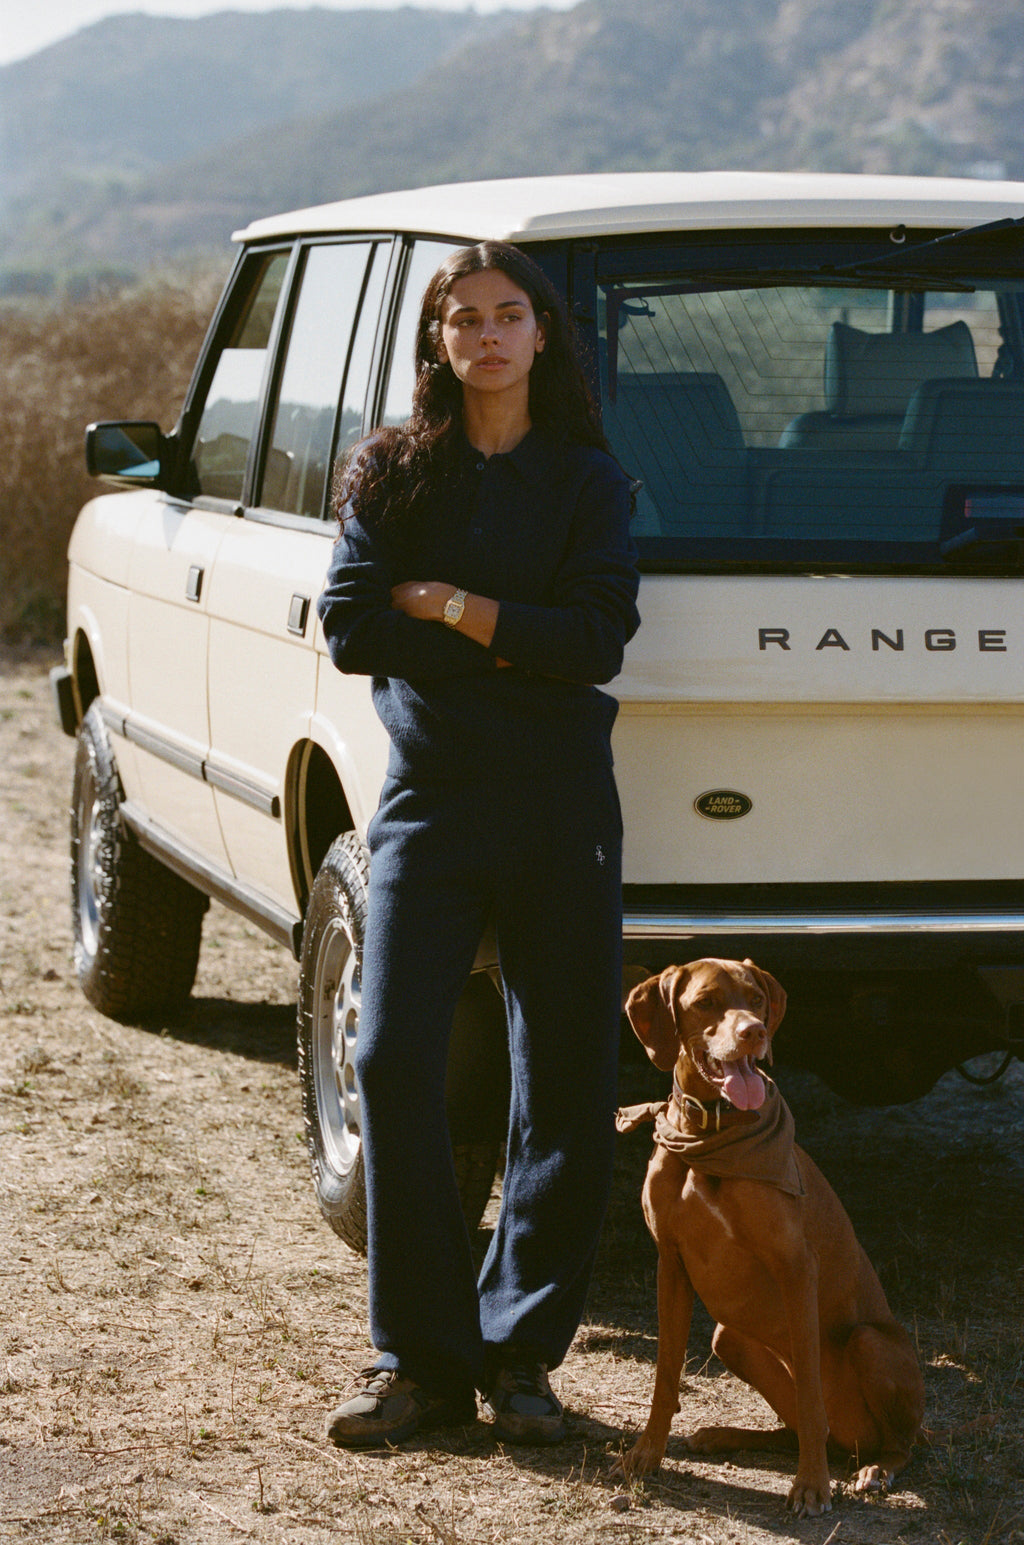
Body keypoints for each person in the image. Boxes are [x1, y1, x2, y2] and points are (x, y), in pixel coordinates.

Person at [316, 240, 641, 1449]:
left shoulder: (587, 480)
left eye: (512, 316)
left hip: (561, 799)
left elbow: (595, 639)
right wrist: (516, 634)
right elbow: (352, 627)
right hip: (431, 797)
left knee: (563, 1077)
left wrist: (444, 605)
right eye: (467, 318)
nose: (490, 336)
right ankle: (417, 1362)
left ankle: (520, 1362)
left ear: (542, 337)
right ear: (439, 342)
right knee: (394, 1057)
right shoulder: (394, 472)